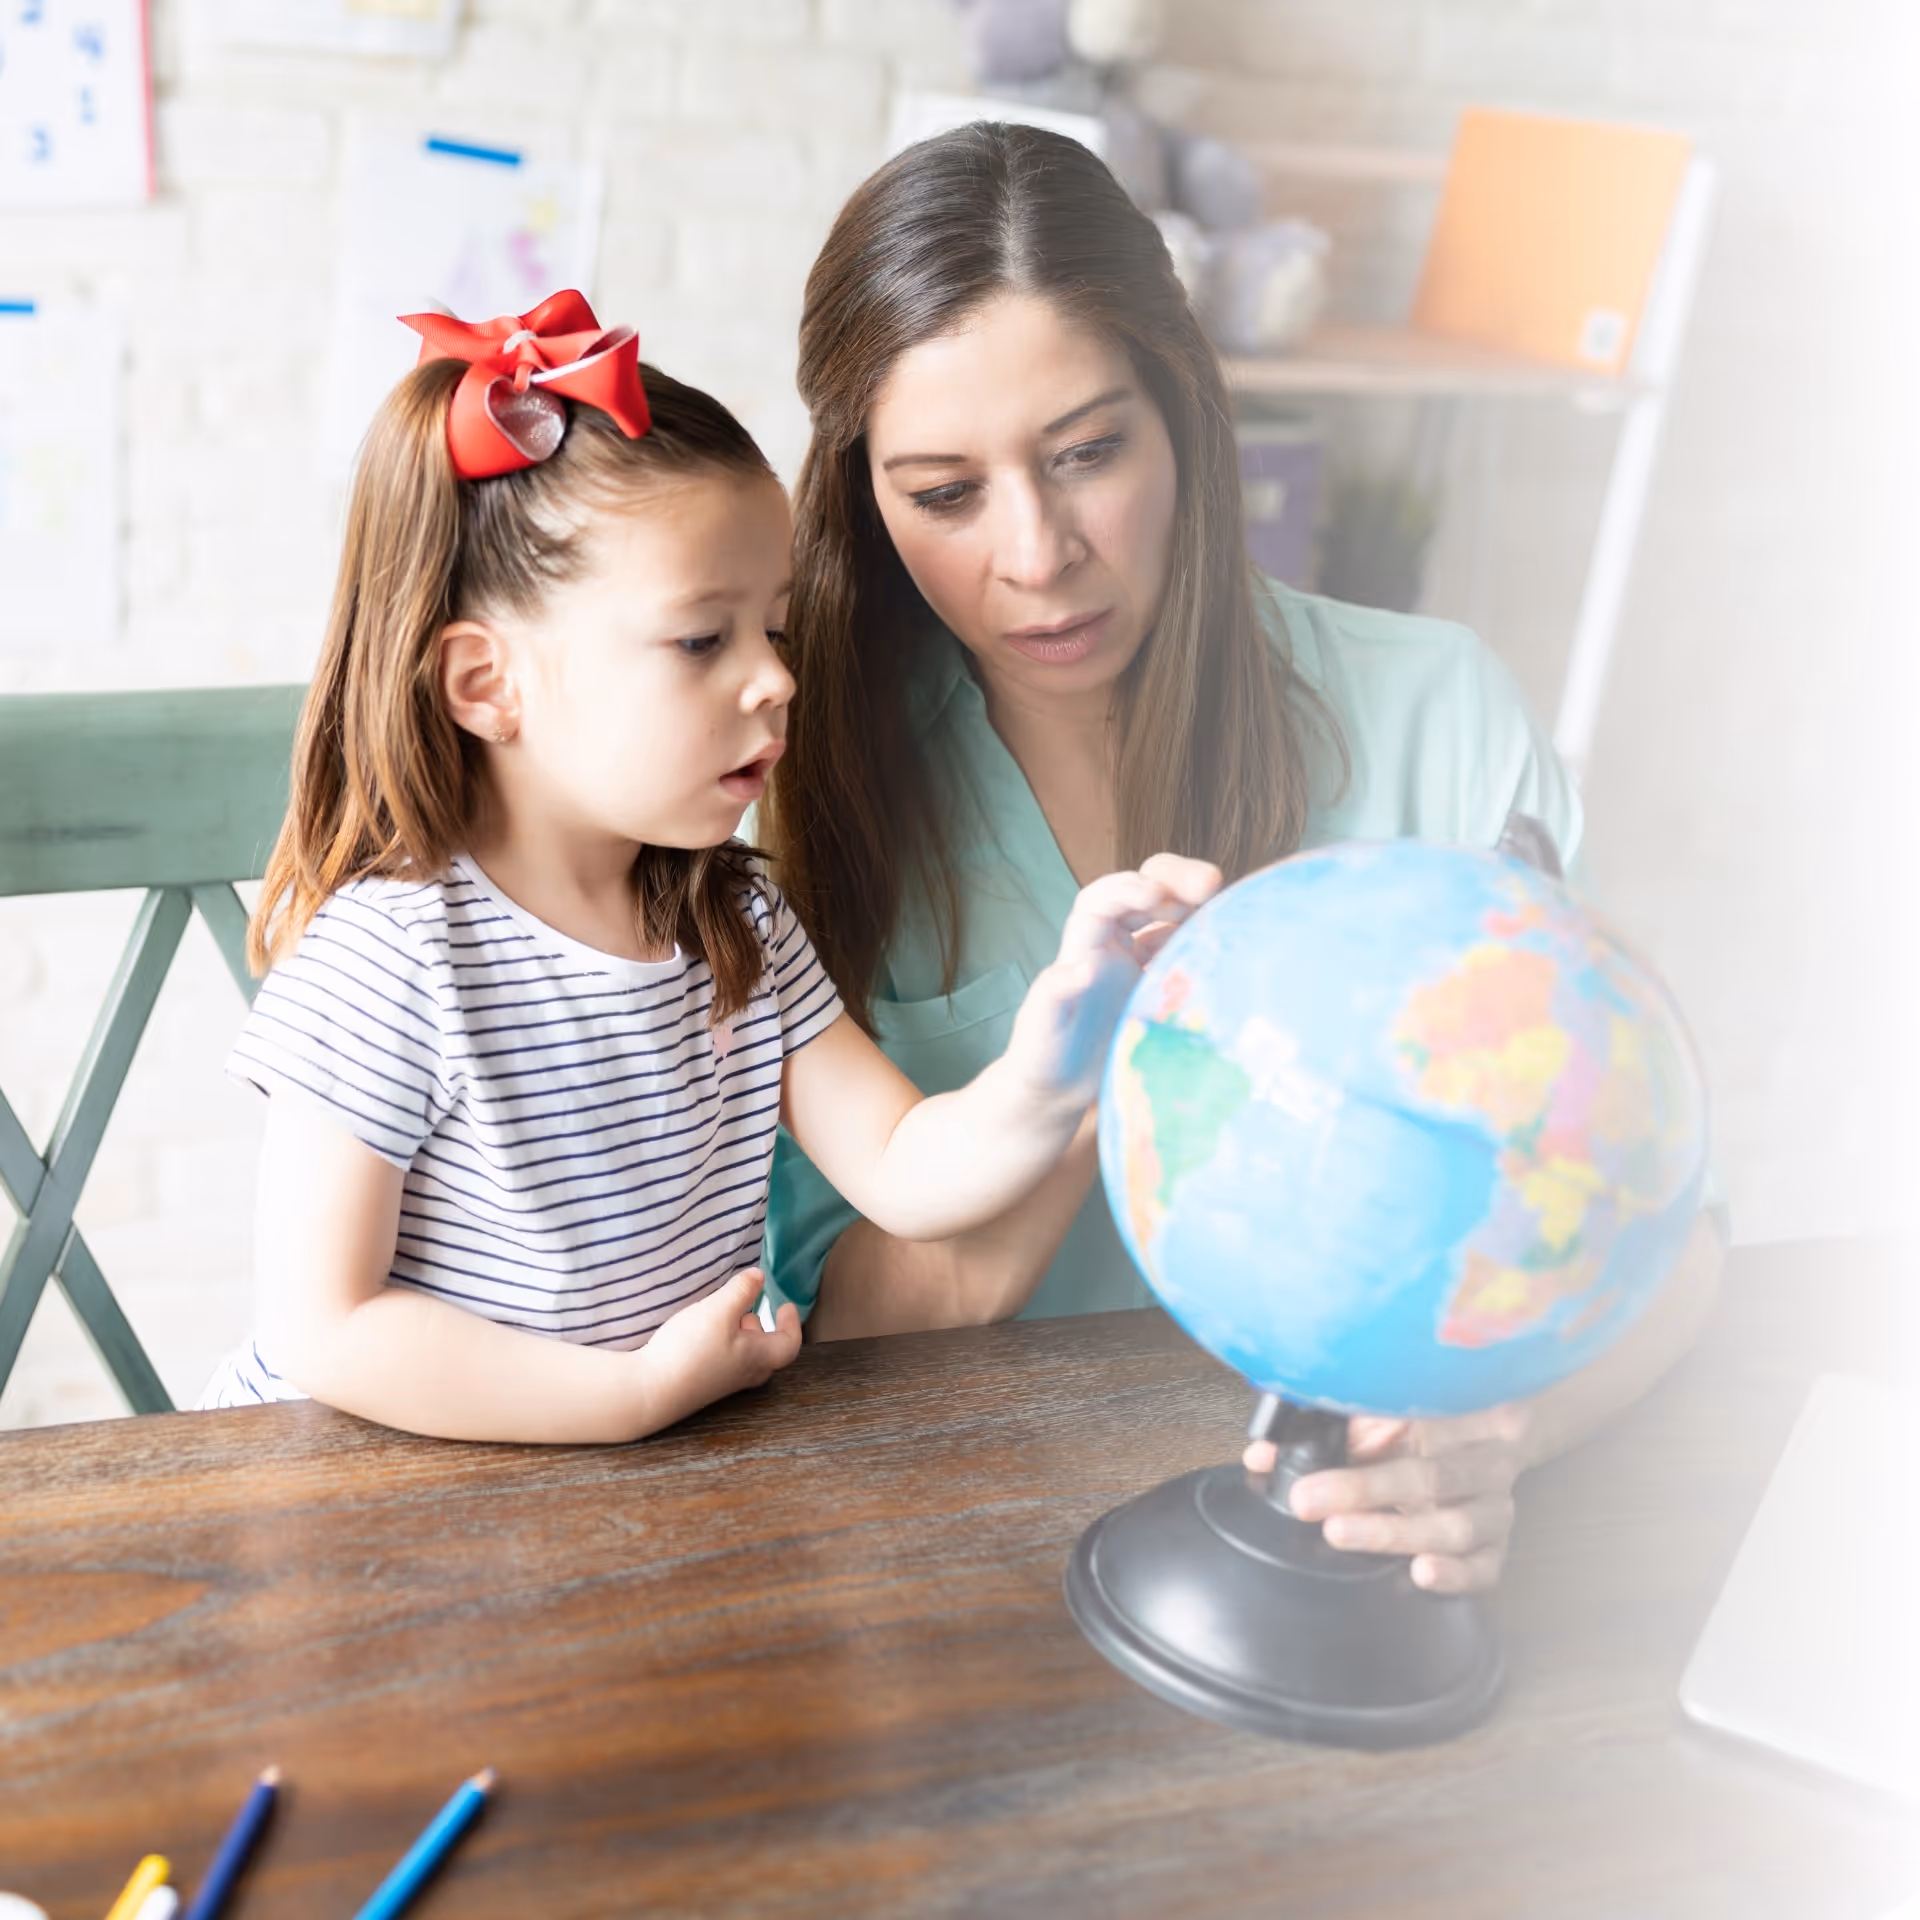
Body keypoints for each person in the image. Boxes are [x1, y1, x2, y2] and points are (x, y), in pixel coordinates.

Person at [757, 125, 1726, 1591]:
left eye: (1089, 455)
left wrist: (1501, 1441)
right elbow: (828, 1333)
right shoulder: (789, 787)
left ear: (1186, 414)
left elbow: (1668, 1221)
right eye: (945, 494)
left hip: (1341, 1552)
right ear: (862, 497)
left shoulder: (1440, 716)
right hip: (951, 1550)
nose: (1035, 553)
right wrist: (1106, 1076)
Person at [198, 291, 1217, 1444]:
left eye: (772, 629)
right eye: (702, 639)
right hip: (362, 1495)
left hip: (612, 1502)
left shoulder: (739, 921)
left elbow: (900, 1166)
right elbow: (326, 1324)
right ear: (487, 685)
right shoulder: (395, 959)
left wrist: (1052, 1063)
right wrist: (627, 1397)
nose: (775, 679)